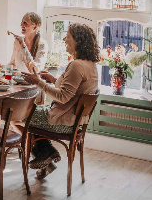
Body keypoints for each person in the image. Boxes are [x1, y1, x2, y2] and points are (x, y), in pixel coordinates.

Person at [21, 23, 100, 179]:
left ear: (78, 41)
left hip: (62, 122)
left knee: (21, 113)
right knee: (31, 116)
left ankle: (47, 152)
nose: (64, 39)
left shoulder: (77, 65)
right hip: (76, 122)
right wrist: (52, 79)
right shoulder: (90, 65)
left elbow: (63, 96)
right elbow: (73, 91)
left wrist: (38, 82)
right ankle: (46, 155)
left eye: (68, 36)